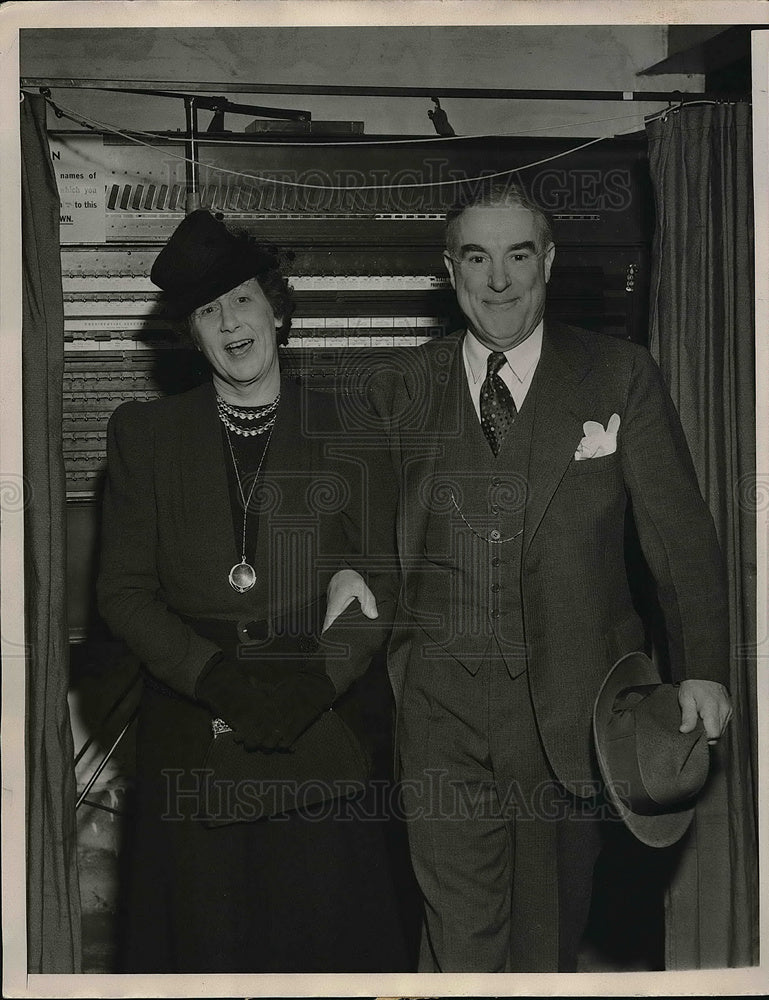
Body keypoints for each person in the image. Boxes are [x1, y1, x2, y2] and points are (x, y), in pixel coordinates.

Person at [327, 182, 734, 973]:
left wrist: (704, 670)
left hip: (572, 714)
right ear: (451, 272)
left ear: (547, 261)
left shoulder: (619, 377)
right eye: (477, 258)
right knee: (461, 938)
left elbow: (679, 541)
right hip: (440, 711)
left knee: (544, 943)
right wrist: (344, 565)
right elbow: (364, 531)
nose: (499, 280)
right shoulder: (397, 390)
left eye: (518, 255)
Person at [96, 209, 407, 973]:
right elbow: (124, 593)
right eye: (206, 311)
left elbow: (380, 580)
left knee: (323, 948)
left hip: (318, 730)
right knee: (203, 949)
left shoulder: (351, 425)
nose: (229, 323)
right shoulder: (144, 434)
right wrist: (214, 675)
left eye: (239, 298)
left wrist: (316, 680)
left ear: (275, 305)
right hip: (192, 736)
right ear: (190, 335)